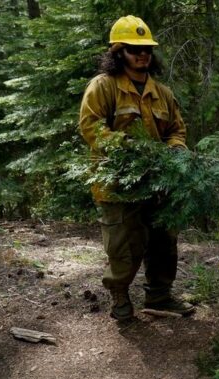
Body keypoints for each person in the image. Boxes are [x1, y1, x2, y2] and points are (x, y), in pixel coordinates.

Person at [79, 15, 194, 322]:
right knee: (123, 247)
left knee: (164, 241)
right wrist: (127, 148)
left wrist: (173, 153)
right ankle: (119, 295)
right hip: (116, 185)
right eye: (133, 48)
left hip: (157, 182)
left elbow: (177, 131)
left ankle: (160, 295)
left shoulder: (162, 93)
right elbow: (90, 126)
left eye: (146, 49)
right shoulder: (103, 87)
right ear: (118, 52)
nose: (142, 54)